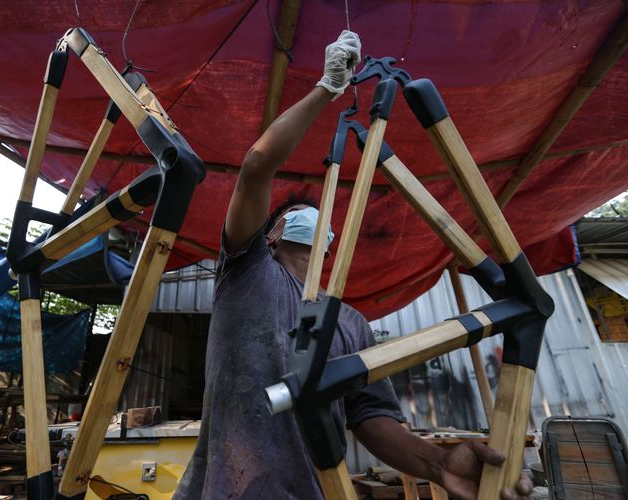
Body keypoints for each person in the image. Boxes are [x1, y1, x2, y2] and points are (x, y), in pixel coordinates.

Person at [174, 31, 532, 500]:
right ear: (273, 234)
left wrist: (440, 463)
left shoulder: (349, 322)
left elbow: (369, 416)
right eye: (296, 217)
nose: (315, 223)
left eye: (323, 222)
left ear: (331, 246)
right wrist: (328, 88)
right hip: (222, 491)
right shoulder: (246, 272)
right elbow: (256, 167)